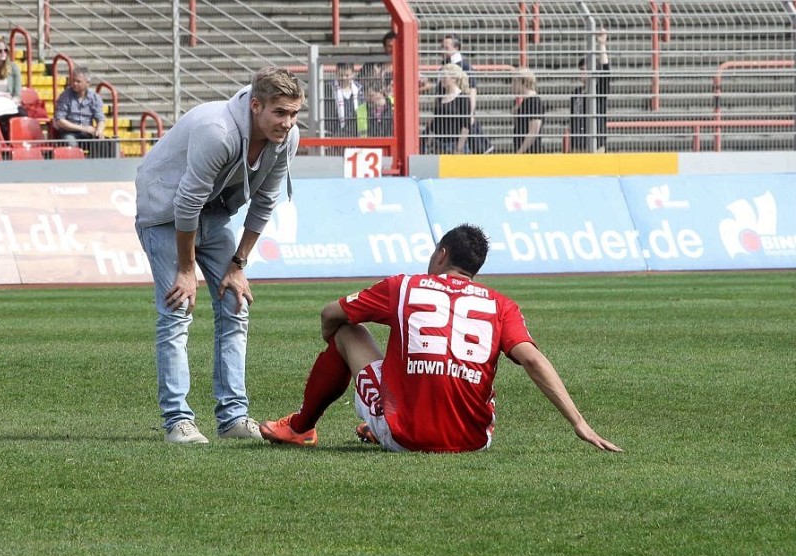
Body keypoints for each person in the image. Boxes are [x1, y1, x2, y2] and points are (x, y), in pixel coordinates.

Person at [260, 224, 622, 454]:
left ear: (441, 254)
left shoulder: (403, 286)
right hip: (474, 441)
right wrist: (579, 423)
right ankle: (390, 421)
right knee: (476, 375)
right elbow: (532, 360)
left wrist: (330, 339)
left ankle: (301, 427)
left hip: (405, 435)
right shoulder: (501, 304)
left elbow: (329, 314)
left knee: (346, 330)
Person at [134, 67, 303, 444]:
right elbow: (186, 201)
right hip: (164, 212)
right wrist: (185, 269)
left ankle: (232, 418)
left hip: (213, 212)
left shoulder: (286, 139)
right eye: (280, 113)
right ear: (256, 106)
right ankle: (177, 421)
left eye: (293, 114)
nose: (288, 123)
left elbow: (266, 201)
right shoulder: (218, 131)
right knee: (177, 308)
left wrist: (238, 265)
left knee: (235, 303)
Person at [423, 34, 494, 154]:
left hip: (457, 118)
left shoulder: (464, 66)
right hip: (444, 116)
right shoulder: (443, 67)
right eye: (442, 47)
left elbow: (471, 90)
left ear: (457, 48)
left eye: (446, 48)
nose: (442, 51)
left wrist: (470, 114)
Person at [53, 65, 113, 158]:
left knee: (103, 142)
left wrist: (99, 130)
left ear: (87, 83)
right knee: (71, 143)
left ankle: (98, 167)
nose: (74, 83)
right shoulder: (65, 96)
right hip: (69, 133)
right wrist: (83, 128)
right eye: (73, 80)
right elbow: (60, 121)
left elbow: (100, 118)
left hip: (87, 134)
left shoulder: (94, 97)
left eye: (78, 81)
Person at [570, 28, 611, 153]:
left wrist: (602, 45)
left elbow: (605, 72)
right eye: (580, 69)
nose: (581, 73)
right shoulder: (576, 93)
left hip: (595, 145)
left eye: (584, 69)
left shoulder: (598, 91)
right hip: (578, 144)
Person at [422, 63, 471, 154]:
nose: (442, 79)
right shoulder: (440, 96)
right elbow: (435, 121)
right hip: (437, 145)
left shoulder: (463, 98)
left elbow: (465, 126)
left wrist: (458, 149)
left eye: (445, 77)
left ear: (453, 79)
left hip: (453, 145)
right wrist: (428, 143)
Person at [324, 62, 363, 139]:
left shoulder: (359, 90)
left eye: (347, 75)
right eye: (341, 75)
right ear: (336, 73)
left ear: (353, 74)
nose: (344, 78)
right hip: (333, 134)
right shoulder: (328, 89)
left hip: (356, 135)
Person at [0, 37, 24, 140]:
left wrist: (14, 100)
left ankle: (13, 145)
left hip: (8, 102)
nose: (3, 53)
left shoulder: (13, 68)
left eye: (5, 50)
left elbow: (17, 93)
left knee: (21, 114)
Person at [513, 68, 545, 154]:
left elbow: (534, 131)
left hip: (531, 154)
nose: (513, 85)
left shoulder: (534, 102)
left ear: (524, 82)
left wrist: (520, 152)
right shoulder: (526, 101)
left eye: (515, 82)